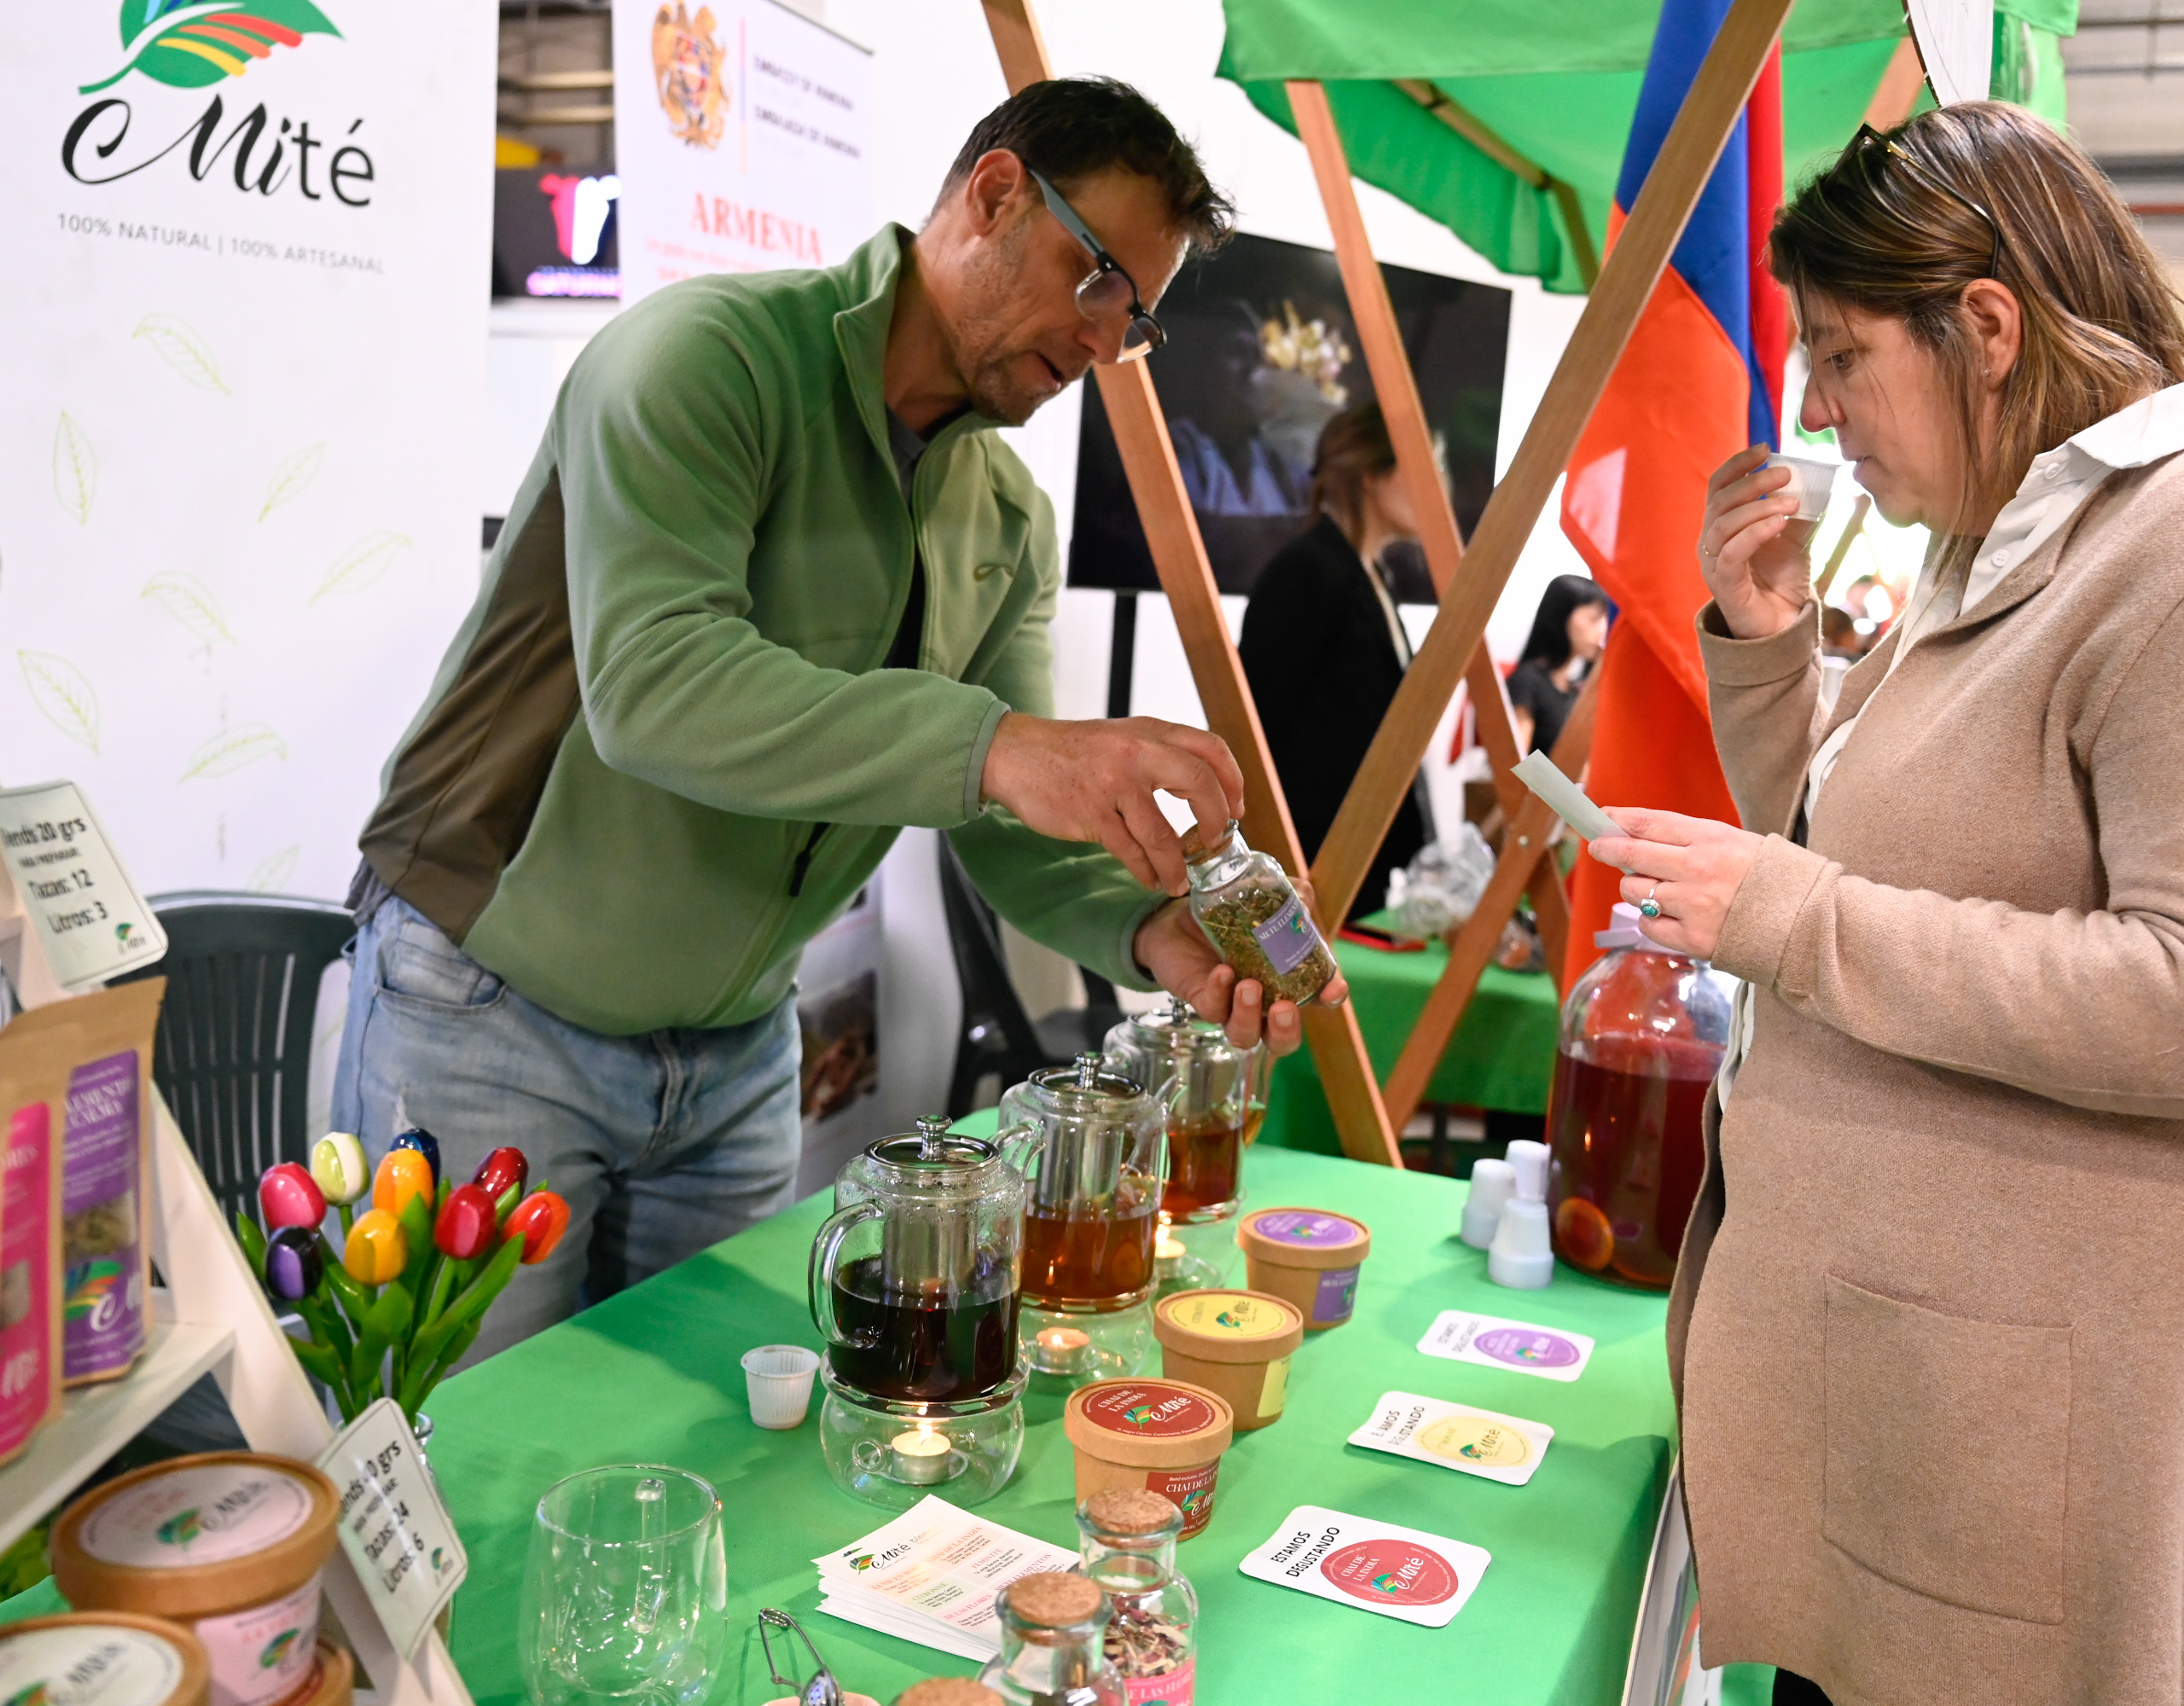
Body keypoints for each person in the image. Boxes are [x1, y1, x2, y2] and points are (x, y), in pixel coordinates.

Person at [1599, 105, 2184, 1703]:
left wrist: (1793, 923)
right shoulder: (2013, 539)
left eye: (1845, 358)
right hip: (1946, 1445)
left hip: (2070, 1505)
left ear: (1983, 328)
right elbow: (1867, 837)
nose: (1820, 409)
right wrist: (1771, 646)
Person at [334, 78, 1344, 1360]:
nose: (1103, 345)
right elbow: (657, 686)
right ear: (994, 194)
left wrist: (1153, 932)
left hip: (738, 1054)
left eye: (1133, 323)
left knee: (701, 1475)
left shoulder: (1006, 516)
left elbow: (1009, 835)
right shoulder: (709, 359)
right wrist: (1002, 747)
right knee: (451, 1473)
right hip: (492, 1013)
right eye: (1097, 285)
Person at [1239, 403, 1432, 921]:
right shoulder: (1307, 571)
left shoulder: (1371, 576)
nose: (1436, 489)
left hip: (1355, 854)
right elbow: (1252, 722)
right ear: (1372, 475)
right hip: (1306, 862)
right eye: (1423, 468)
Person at [1507, 575, 1609, 756]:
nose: (1602, 630)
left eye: (1604, 620)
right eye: (1593, 619)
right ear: (1561, 616)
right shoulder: (1527, 681)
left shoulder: (1573, 688)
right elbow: (1516, 765)